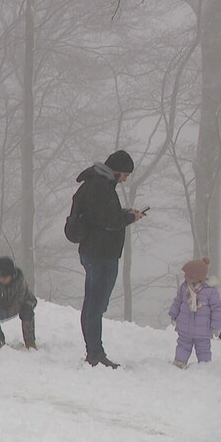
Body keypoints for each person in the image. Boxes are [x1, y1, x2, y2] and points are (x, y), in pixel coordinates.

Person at [71, 150, 145, 368]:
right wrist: (130, 217)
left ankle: (93, 351)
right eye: (125, 175)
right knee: (96, 305)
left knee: (92, 303)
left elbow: (100, 215)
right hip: (101, 253)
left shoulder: (94, 182)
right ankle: (95, 353)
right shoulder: (101, 187)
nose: (125, 179)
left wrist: (124, 212)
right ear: (117, 170)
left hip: (92, 251)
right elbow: (108, 220)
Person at [168, 257, 221, 368]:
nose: (185, 277)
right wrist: (173, 313)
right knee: (183, 345)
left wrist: (215, 324)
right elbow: (178, 301)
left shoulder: (210, 291)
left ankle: (205, 365)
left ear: (197, 277)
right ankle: (180, 362)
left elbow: (216, 308)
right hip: (185, 326)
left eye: (188, 275)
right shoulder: (184, 288)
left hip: (203, 329)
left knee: (203, 349)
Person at [0, 257, 38, 350]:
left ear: (12, 275)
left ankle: (30, 342)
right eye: (1, 278)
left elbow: (18, 303)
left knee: (27, 312)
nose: (3, 280)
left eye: (6, 277)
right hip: (7, 302)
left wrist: (7, 314)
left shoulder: (21, 283)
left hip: (25, 302)